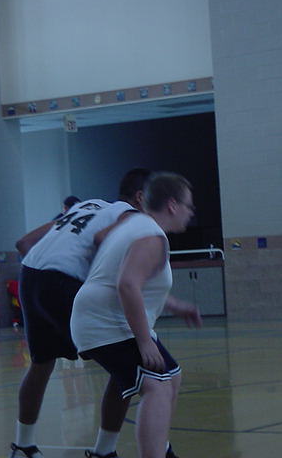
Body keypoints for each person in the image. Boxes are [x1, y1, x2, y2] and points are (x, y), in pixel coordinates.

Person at [10, 168, 157, 458]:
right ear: (141, 198)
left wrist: (49, 282)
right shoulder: (131, 216)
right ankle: (104, 451)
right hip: (64, 281)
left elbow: (23, 244)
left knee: (41, 363)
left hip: (30, 276)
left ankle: (23, 447)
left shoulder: (86, 205)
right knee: (129, 364)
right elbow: (102, 240)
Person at [71, 172, 202, 458]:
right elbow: (127, 284)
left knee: (171, 376)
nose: (191, 212)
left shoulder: (139, 225)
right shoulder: (151, 236)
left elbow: (135, 281)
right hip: (105, 322)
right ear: (172, 205)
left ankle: (151, 448)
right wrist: (144, 341)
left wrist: (174, 305)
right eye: (188, 206)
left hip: (103, 316)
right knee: (157, 385)